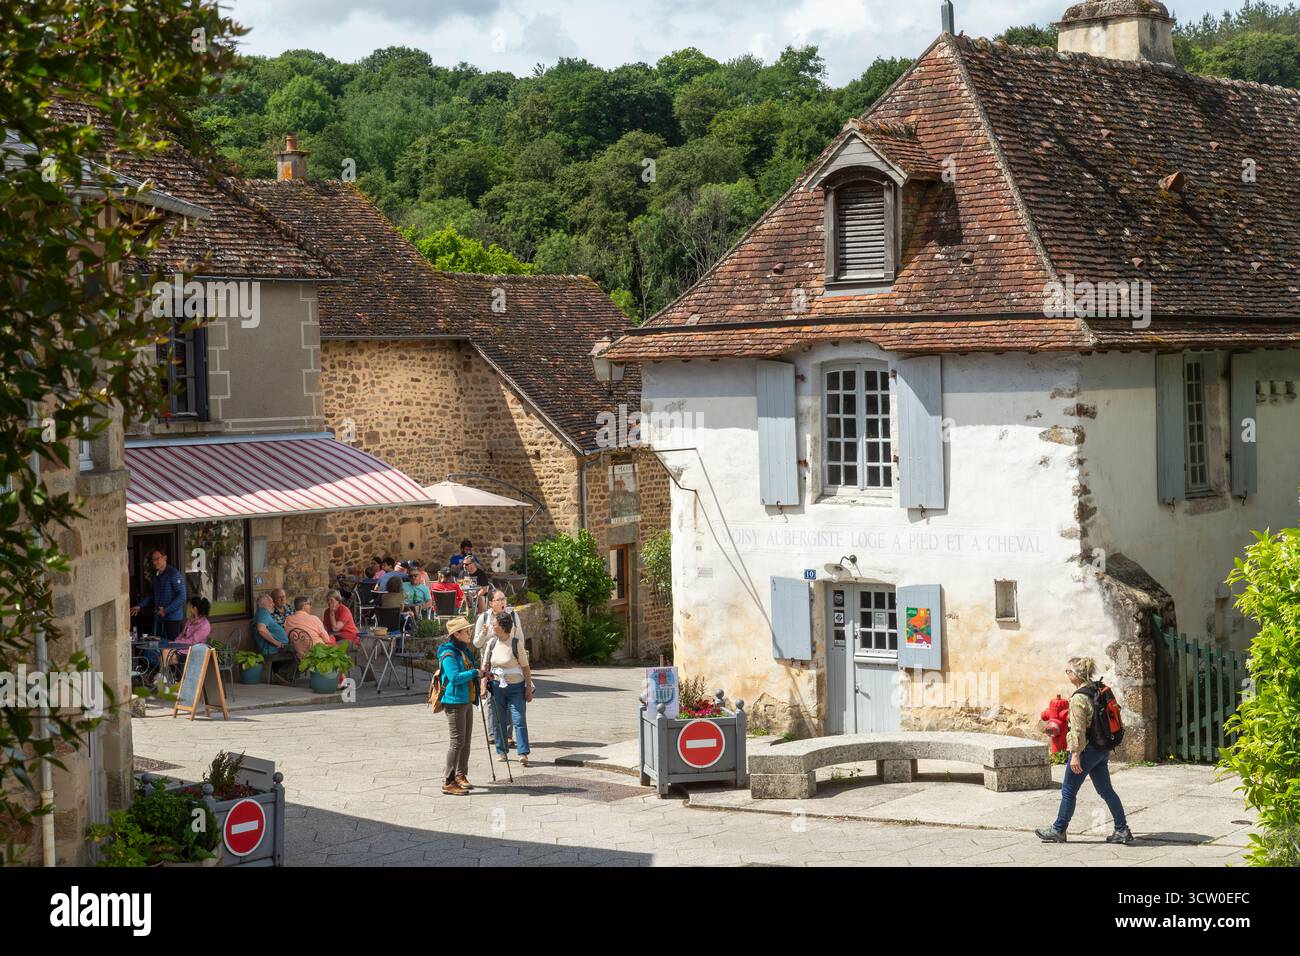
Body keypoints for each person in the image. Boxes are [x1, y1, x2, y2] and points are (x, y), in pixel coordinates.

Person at [1036, 656, 1134, 845]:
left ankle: (1058, 829)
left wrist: (1075, 756)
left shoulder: (1079, 697)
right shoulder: (1096, 688)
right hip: (1101, 748)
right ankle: (1122, 830)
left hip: (1086, 751)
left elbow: (1078, 730)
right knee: (1106, 791)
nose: (1067, 674)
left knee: (1068, 790)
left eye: (1068, 671)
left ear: (1076, 675)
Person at [481, 611, 533, 768]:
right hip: (497, 688)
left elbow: (526, 668)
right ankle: (502, 751)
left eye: (494, 624)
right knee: (499, 721)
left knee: (519, 719)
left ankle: (523, 753)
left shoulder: (516, 644)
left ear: (502, 627)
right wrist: (483, 686)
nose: (492, 626)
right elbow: (485, 667)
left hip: (516, 688)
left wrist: (528, 688)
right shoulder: (491, 643)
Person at [438, 617, 483, 796]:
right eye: (466, 631)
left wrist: (482, 674)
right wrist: (474, 673)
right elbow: (455, 677)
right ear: (456, 634)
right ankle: (448, 781)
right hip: (454, 701)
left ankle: (460, 774)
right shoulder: (448, 654)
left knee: (465, 741)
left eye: (469, 630)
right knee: (457, 742)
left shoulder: (463, 651)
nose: (469, 633)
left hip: (466, 700)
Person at [474, 590, 524, 748]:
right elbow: (476, 643)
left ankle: (507, 735)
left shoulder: (513, 616)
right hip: (490, 663)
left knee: (510, 698)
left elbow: (520, 638)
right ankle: (493, 733)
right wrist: (483, 635)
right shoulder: (484, 618)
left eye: (504, 598)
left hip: (510, 663)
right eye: (499, 599)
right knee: (492, 699)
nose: (503, 602)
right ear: (490, 603)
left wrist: (522, 660)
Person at [131, 549, 187, 640]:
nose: (154, 562)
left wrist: (166, 610)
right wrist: (140, 606)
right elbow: (153, 595)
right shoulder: (156, 576)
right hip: (160, 617)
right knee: (160, 647)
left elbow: (182, 597)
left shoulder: (173, 574)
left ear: (165, 558)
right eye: (153, 560)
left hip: (173, 619)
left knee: (172, 648)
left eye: (157, 559)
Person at [162, 595, 211, 672]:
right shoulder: (191, 620)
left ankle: (164, 678)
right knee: (164, 654)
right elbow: (182, 635)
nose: (188, 608)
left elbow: (191, 642)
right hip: (183, 648)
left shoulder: (205, 626)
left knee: (165, 654)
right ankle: (166, 679)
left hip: (193, 651)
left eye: (190, 606)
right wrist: (175, 643)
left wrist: (175, 644)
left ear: (195, 609)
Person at [254, 594, 292, 683]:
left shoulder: (263, 613)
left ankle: (281, 676)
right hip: (273, 649)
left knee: (297, 650)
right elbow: (261, 629)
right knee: (300, 653)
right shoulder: (263, 613)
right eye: (271, 602)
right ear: (265, 604)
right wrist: (276, 642)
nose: (273, 604)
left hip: (274, 647)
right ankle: (281, 676)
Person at [284, 595, 335, 660]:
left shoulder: (288, 620)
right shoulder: (314, 618)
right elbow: (327, 639)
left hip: (300, 656)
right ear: (304, 605)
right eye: (309, 604)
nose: (311, 606)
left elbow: (287, 637)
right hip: (318, 655)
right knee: (333, 640)